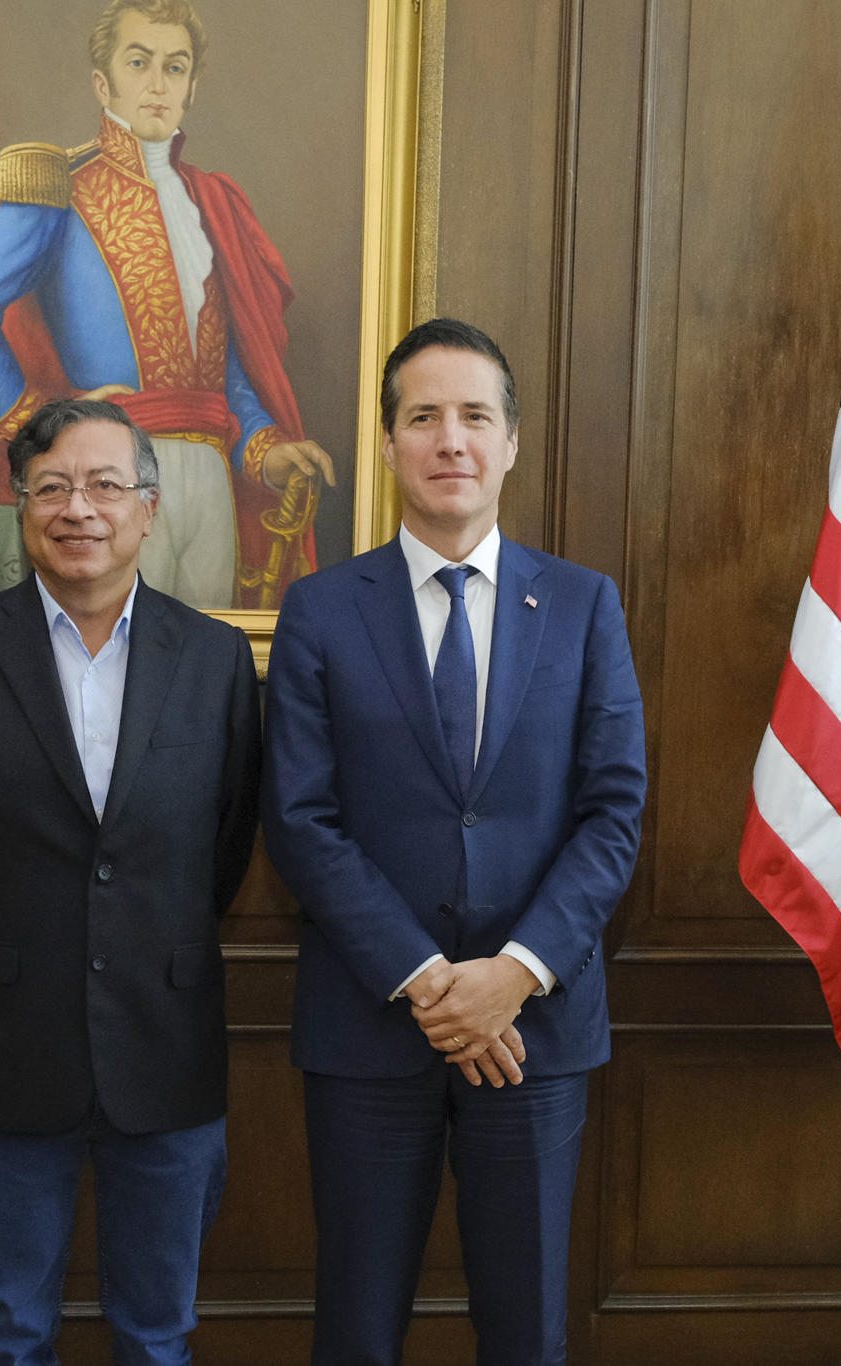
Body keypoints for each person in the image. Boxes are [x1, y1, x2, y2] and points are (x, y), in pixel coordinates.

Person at [262, 319, 646, 1365]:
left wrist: (512, 977)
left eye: (475, 415)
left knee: (526, 1329)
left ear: (511, 442)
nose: (450, 440)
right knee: (357, 1326)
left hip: (537, 1033)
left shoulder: (582, 604)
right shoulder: (320, 610)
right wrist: (433, 981)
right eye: (422, 416)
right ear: (389, 443)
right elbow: (300, 818)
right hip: (369, 1026)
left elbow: (614, 814)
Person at [0, 397, 263, 1366]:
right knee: (11, 1332)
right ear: (21, 508)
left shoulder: (217, 660)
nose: (78, 507)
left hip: (166, 1046)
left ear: (148, 507)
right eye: (50, 486)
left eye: (104, 484)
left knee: (158, 1331)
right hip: (8, 1047)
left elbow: (226, 844)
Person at [0, 0, 335, 610]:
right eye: (138, 62)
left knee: (202, 668)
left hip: (212, 481)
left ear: (191, 86)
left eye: (174, 67)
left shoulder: (214, 202)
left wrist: (265, 448)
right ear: (103, 82)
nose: (156, 83)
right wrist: (37, 426)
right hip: (112, 478)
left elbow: (226, 373)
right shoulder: (56, 184)